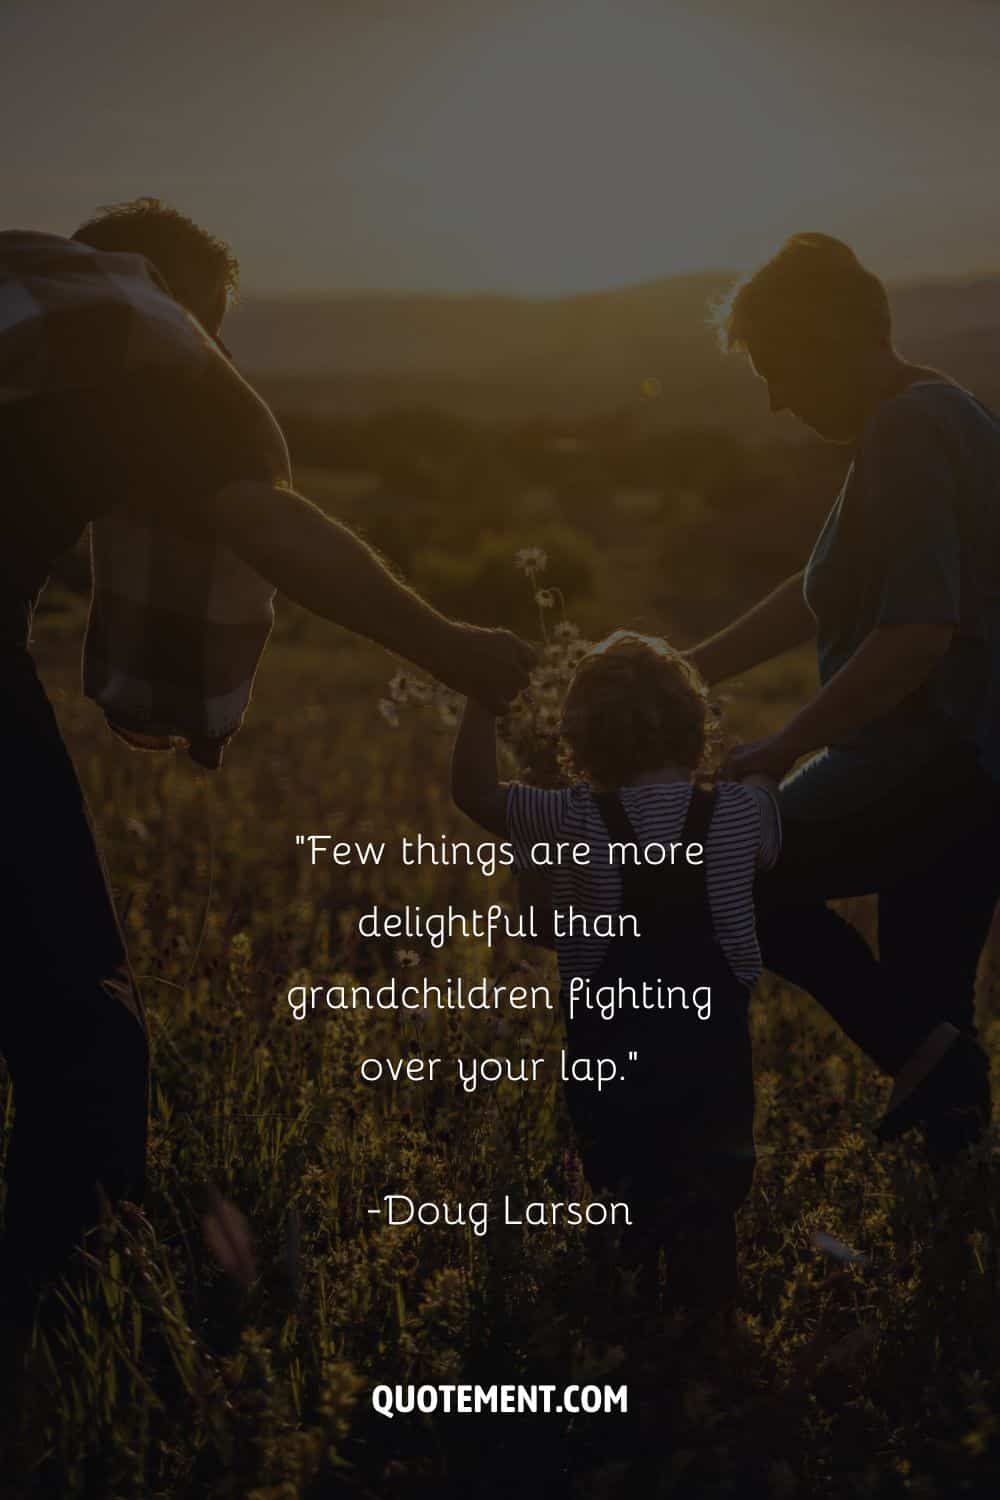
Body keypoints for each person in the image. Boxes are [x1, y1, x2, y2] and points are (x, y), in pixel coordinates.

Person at [0, 199, 535, 1318]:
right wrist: (450, 646)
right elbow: (270, 522)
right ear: (181, 299)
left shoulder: (37, 309)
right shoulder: (156, 347)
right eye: (217, 327)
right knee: (77, 1014)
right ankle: (67, 1320)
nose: (217, 353)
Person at [688, 232, 997, 1160]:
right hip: (978, 766)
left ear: (829, 338)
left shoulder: (906, 428)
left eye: (780, 368)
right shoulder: (940, 412)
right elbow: (819, 589)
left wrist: (781, 749)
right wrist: (691, 668)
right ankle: (961, 1210)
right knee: (929, 1001)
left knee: (724, 870)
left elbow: (916, 631)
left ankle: (944, 1090)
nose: (778, 400)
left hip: (934, 757)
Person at [451, 629, 782, 1316]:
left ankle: (623, 1343)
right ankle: (709, 1360)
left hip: (610, 1057)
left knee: (620, 1206)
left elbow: (475, 792)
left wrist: (481, 699)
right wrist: (761, 765)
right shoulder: (740, 814)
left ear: (582, 738)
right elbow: (766, 818)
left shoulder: (571, 815)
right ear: (697, 729)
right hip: (712, 1060)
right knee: (707, 1211)